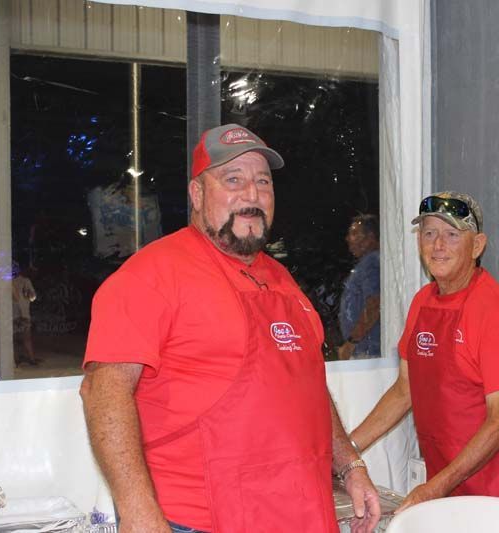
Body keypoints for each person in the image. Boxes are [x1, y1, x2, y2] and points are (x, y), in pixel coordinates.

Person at [80, 124, 380, 533]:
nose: (251, 195)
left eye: (262, 182)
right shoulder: (151, 275)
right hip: (197, 519)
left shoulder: (282, 280)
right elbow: (104, 392)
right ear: (197, 194)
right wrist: (137, 511)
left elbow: (306, 385)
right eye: (232, 180)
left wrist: (349, 466)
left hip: (297, 512)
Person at [350, 192, 499, 513]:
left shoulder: (495, 313)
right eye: (429, 233)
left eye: (452, 235)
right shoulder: (423, 302)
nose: (438, 245)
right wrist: (347, 453)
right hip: (449, 476)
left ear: (477, 245)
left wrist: (433, 488)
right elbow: (403, 392)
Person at [336, 214, 381, 360]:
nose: (348, 239)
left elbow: (374, 304)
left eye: (355, 233)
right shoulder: (368, 263)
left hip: (368, 352)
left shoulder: (372, 262)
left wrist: (351, 343)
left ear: (371, 237)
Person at [12, 263, 39, 366]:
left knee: (14, 339)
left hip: (13, 315)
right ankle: (31, 359)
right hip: (23, 314)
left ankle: (16, 359)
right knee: (26, 338)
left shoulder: (7, 282)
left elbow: (32, 296)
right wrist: (29, 295)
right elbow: (33, 297)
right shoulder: (25, 281)